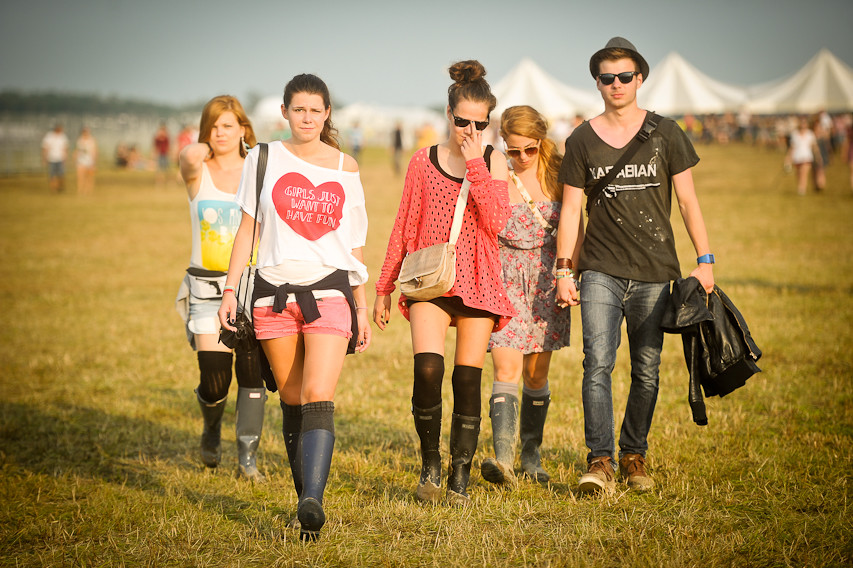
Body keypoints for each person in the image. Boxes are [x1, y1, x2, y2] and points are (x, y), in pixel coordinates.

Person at [555, 37, 715, 494]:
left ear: (639, 79)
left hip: (654, 271)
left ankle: (633, 455)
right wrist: (565, 269)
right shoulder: (582, 139)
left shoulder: (666, 133)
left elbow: (687, 201)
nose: (617, 84)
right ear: (598, 83)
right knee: (596, 365)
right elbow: (570, 212)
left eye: (625, 76)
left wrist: (705, 261)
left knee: (646, 369)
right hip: (600, 269)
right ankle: (600, 461)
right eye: (608, 77)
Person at [219, 74, 371, 542]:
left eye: (316, 110)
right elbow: (248, 229)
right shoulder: (263, 157)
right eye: (298, 109)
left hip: (330, 293)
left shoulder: (347, 167)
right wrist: (229, 291)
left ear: (327, 115)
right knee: (290, 399)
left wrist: (361, 307)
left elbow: (354, 244)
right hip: (271, 295)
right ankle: (304, 501)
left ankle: (313, 501)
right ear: (284, 111)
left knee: (318, 397)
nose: (307, 118)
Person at [373, 60, 514, 506]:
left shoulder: (494, 161)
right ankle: (430, 465)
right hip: (430, 278)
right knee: (428, 370)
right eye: (461, 121)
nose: (469, 130)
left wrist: (476, 162)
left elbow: (496, 223)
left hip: (478, 280)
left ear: (488, 121)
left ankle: (459, 476)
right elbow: (403, 224)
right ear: (447, 113)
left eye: (479, 123)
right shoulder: (422, 161)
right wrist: (384, 286)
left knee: (467, 379)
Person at [479, 105, 583, 487]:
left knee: (536, 376)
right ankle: (503, 461)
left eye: (530, 149)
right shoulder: (496, 175)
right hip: (504, 280)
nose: (521, 158)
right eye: (513, 150)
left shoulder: (559, 175)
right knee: (505, 368)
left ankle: (531, 455)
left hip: (546, 281)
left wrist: (569, 276)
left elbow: (575, 227)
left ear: (542, 143)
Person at [174, 95, 268, 483]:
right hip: (206, 289)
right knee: (215, 382)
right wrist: (206, 141)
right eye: (213, 126)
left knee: (252, 377)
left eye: (228, 125)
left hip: (250, 290)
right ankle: (211, 426)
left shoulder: (258, 171)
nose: (220, 133)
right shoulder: (198, 171)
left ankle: (247, 457)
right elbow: (188, 155)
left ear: (244, 128)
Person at [785, 116, 822, 195]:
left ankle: (802, 189)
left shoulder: (810, 134)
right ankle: (800, 187)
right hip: (797, 157)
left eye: (804, 123)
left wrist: (818, 156)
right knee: (798, 174)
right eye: (802, 123)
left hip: (807, 157)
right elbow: (792, 148)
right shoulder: (795, 134)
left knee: (803, 173)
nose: (803, 125)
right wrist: (788, 158)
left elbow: (814, 146)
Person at [42, 123, 69, 193]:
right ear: (57, 129)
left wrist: (65, 157)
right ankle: (53, 189)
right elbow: (45, 148)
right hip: (51, 159)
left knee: (61, 174)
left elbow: (65, 148)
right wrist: (44, 158)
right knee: (52, 174)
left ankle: (60, 187)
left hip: (60, 158)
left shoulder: (63, 136)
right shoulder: (49, 136)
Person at [74, 126, 97, 195]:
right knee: (80, 178)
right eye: (84, 132)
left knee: (89, 178)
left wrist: (94, 162)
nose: (86, 133)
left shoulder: (92, 141)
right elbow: (77, 151)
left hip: (90, 162)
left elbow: (94, 151)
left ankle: (88, 191)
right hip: (81, 161)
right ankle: (80, 191)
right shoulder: (79, 140)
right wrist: (75, 159)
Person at [154, 122, 171, 187]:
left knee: (167, 169)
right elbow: (155, 146)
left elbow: (168, 146)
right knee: (159, 169)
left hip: (165, 154)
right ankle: (159, 182)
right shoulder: (157, 138)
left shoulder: (166, 137)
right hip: (160, 154)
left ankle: (168, 181)